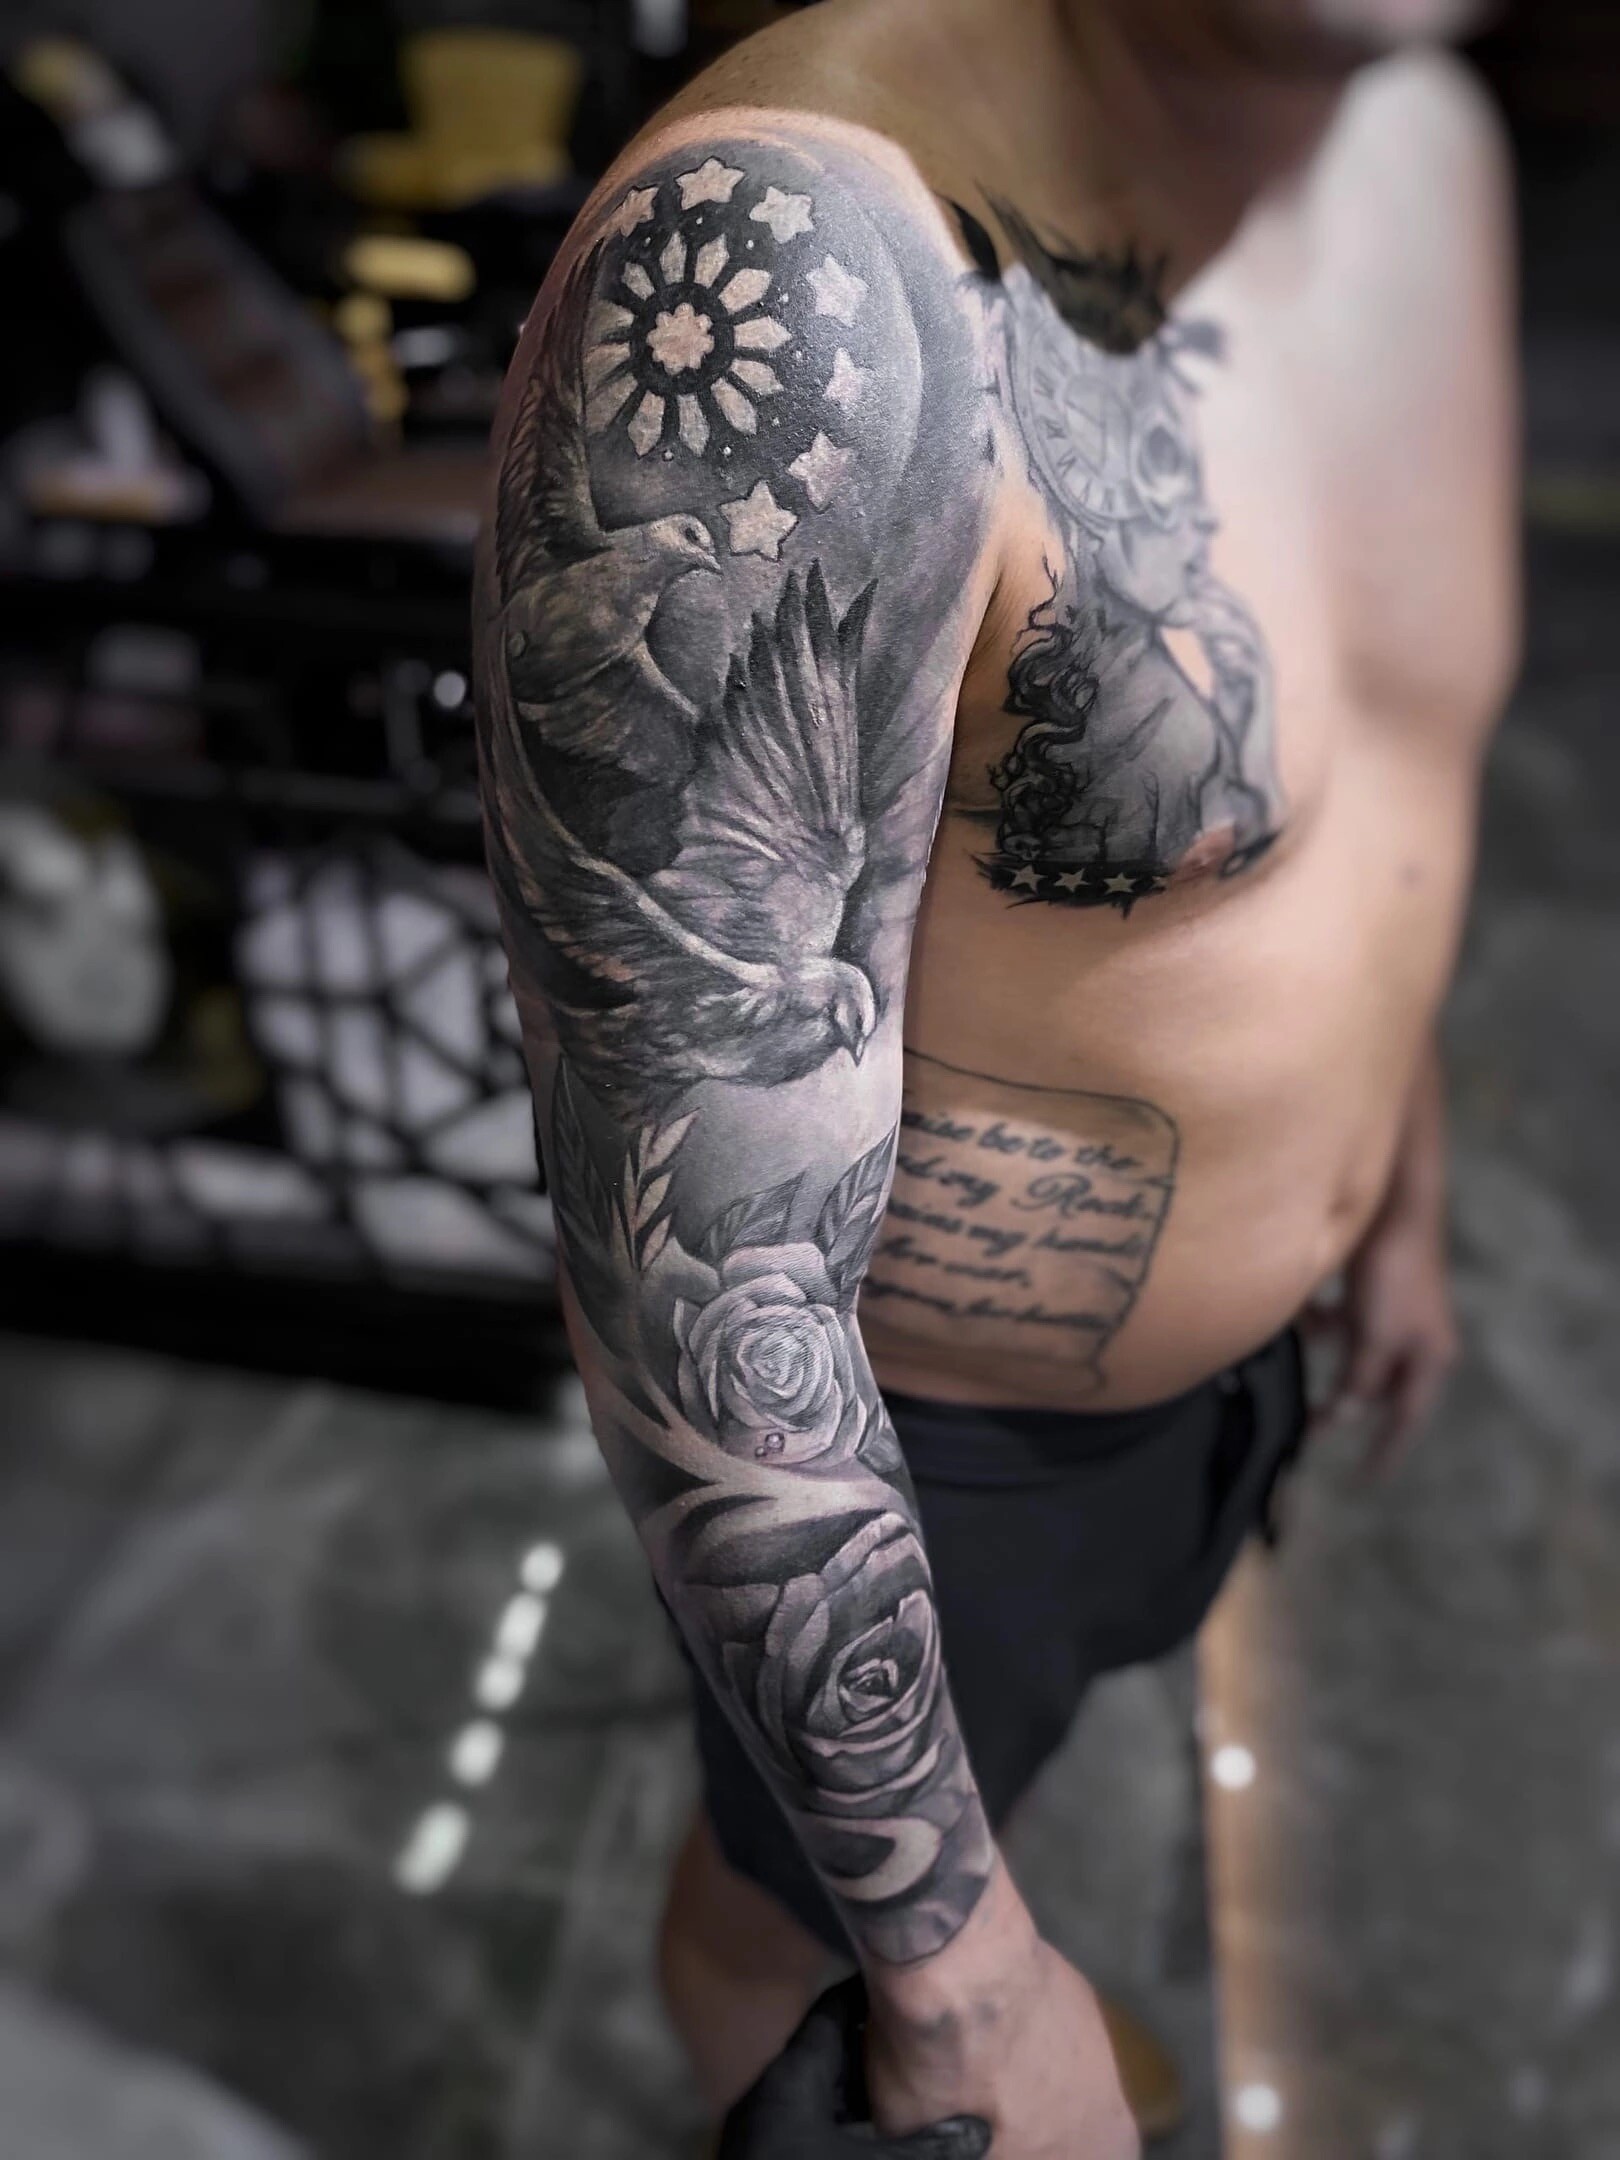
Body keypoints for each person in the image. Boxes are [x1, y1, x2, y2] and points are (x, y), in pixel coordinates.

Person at [473, 0, 1517, 2149]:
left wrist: (1391, 1178)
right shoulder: (792, 277)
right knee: (778, 1933)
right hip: (932, 1459)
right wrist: (962, 1987)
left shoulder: (1425, 140)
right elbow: (687, 1254)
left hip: (1226, 1376)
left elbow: (1386, 782)